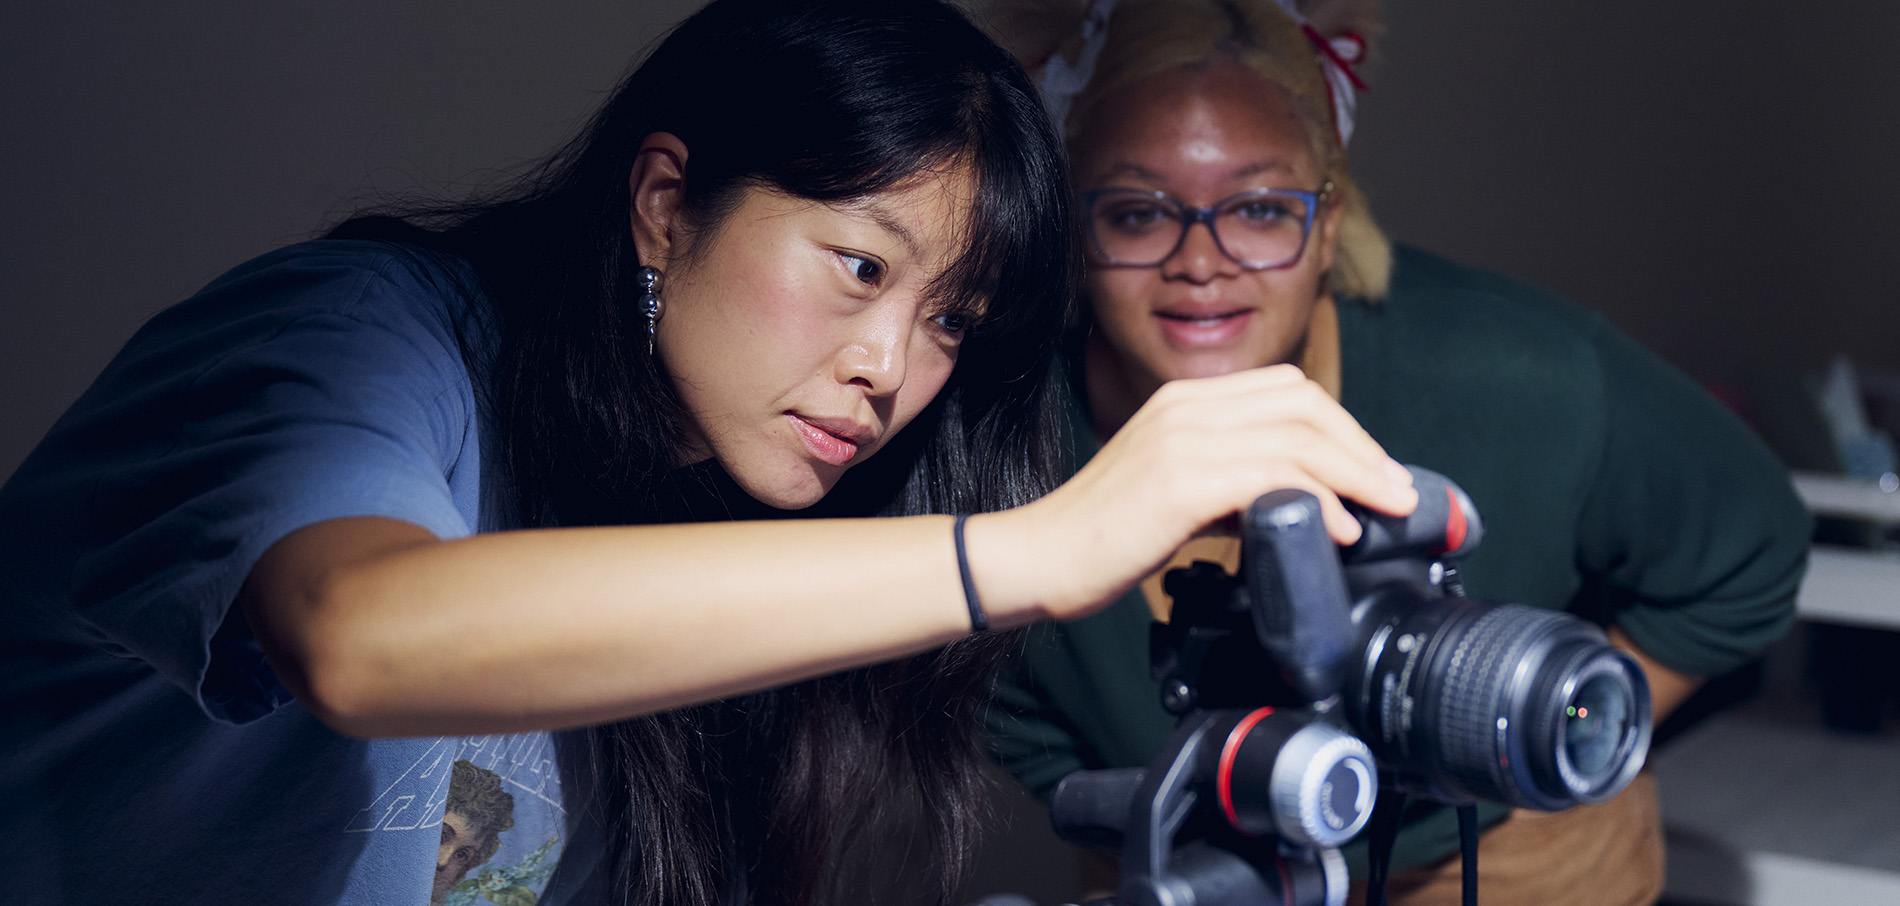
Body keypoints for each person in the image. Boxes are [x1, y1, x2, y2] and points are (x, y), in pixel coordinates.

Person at [0, 0, 1427, 903]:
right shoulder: (358, 335)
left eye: (951, 324)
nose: (890, 372)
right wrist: (1040, 547)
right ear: (668, 204)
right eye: (861, 268)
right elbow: (358, 635)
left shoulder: (724, 530)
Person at [974, 0, 1812, 903]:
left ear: (1328, 224)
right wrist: (1131, 798)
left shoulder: (1519, 372)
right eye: (1139, 214)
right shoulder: (998, 435)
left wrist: (1542, 731)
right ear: (1074, 230)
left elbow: (1753, 538)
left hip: (1494, 861)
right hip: (1188, 866)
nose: (1202, 261)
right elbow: (970, 679)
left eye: (1258, 208)